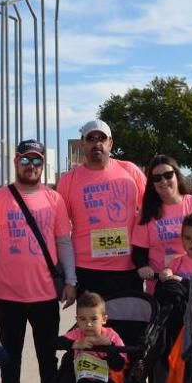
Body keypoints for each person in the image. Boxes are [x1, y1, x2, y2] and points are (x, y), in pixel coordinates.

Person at [0, 139, 77, 383]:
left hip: (45, 294)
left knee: (47, 357)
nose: (31, 166)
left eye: (37, 161)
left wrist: (71, 281)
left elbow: (64, 241)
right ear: (16, 161)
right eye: (26, 160)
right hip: (9, 294)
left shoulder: (54, 199)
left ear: (43, 164)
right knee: (9, 358)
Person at [56, 119, 147, 297]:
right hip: (86, 269)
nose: (96, 143)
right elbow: (59, 228)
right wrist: (69, 278)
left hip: (127, 268)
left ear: (110, 143)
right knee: (90, 325)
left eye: (101, 138)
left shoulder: (130, 170)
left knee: (129, 324)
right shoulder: (69, 180)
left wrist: (189, 198)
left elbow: (152, 207)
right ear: (83, 143)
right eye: (91, 138)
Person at [132, 155, 192, 294]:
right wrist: (143, 266)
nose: (163, 181)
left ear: (177, 176)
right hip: (163, 288)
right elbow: (138, 251)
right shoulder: (146, 212)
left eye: (168, 175)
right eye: (157, 178)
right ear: (152, 183)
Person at [41, 291, 127, 383]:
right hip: (81, 376)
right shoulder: (78, 334)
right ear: (77, 320)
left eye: (94, 319)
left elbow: (119, 365)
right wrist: (76, 343)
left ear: (104, 319)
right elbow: (54, 343)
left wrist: (110, 347)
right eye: (82, 319)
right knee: (64, 379)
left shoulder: (111, 335)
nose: (88, 324)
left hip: (105, 378)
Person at [159, 213, 192, 283]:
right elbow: (165, 275)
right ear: (182, 239)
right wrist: (165, 273)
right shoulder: (176, 263)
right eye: (188, 238)